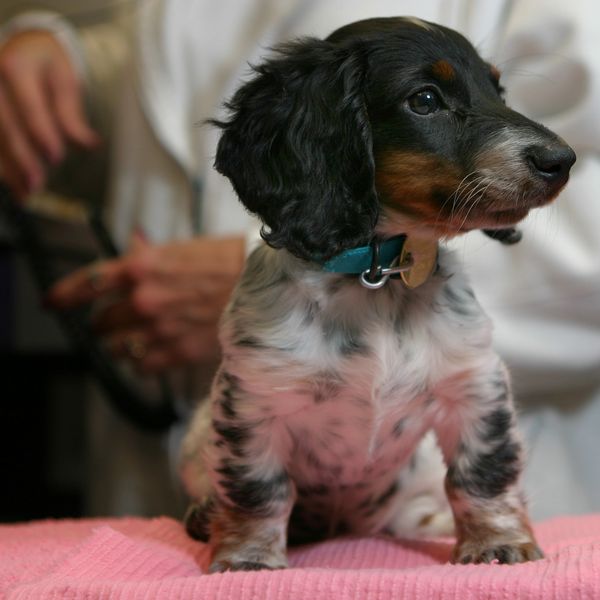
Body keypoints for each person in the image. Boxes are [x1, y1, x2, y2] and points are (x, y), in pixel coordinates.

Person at [1, 0, 599, 520]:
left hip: (428, 507)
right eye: (426, 99)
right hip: (175, 477)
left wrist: (329, 263)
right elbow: (169, 59)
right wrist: (67, 55)